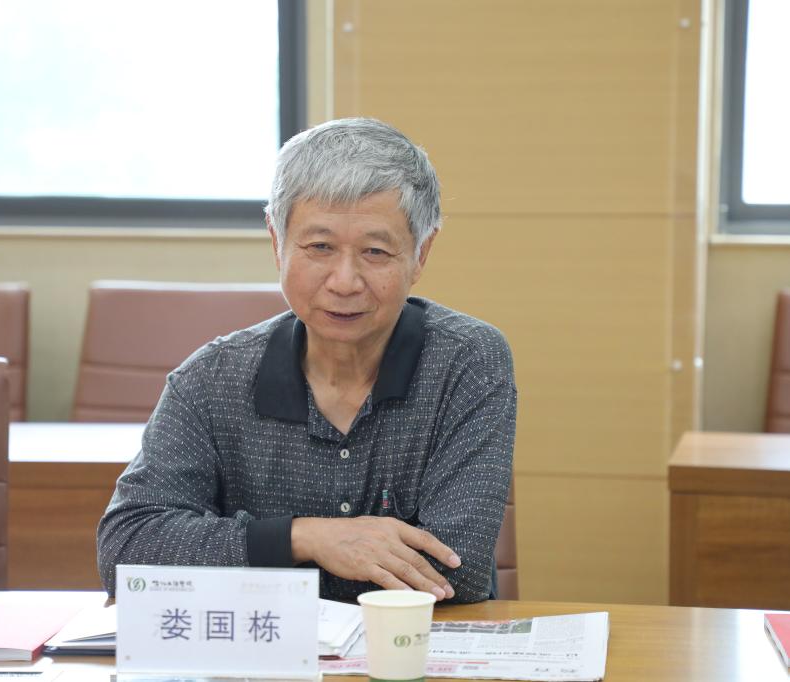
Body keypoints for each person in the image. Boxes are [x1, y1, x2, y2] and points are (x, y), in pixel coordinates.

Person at [97, 117, 516, 603]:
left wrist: (247, 556)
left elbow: (455, 570)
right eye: (320, 247)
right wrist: (307, 538)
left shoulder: (467, 362)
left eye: (375, 251)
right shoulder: (211, 379)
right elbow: (127, 548)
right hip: (264, 647)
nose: (345, 282)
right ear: (277, 242)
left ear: (421, 254)